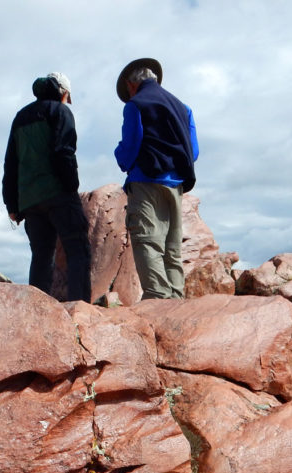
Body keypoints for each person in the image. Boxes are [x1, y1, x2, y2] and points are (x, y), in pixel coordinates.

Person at [2, 72, 92, 303]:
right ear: (63, 93)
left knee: (41, 257)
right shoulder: (60, 111)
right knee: (78, 249)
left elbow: (11, 163)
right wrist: (71, 187)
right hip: (58, 193)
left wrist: (12, 204)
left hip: (30, 201)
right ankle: (80, 311)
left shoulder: (20, 117)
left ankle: (37, 311)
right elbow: (65, 152)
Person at [114, 58, 199, 300]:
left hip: (145, 181)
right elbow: (194, 151)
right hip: (175, 185)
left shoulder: (135, 105)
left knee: (148, 241)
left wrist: (119, 156)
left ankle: (158, 301)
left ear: (132, 84)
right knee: (172, 248)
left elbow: (130, 146)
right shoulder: (184, 108)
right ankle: (175, 301)